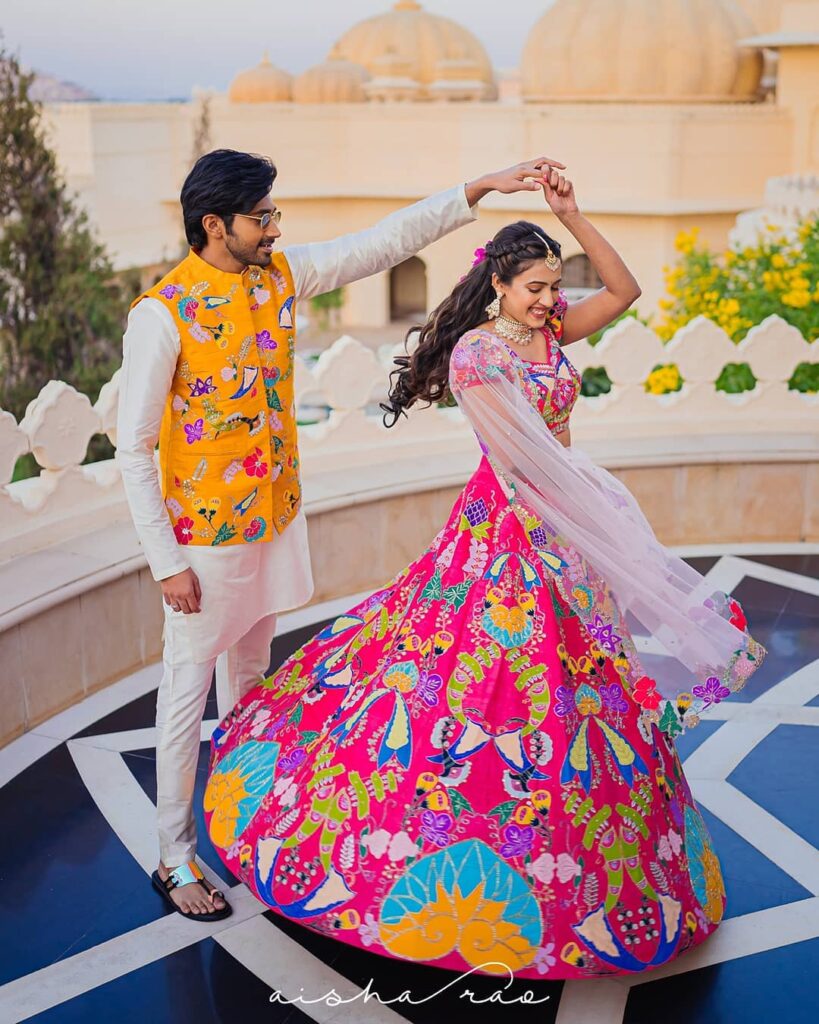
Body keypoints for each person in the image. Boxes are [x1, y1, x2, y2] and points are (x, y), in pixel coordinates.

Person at [202, 167, 767, 978]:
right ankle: (451, 866)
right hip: (508, 533)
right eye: (533, 287)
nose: (548, 300)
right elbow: (518, 460)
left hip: (565, 525)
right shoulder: (477, 355)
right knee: (483, 692)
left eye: (552, 285)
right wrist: (596, 524)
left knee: (582, 698)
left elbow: (626, 289)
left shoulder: (550, 332)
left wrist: (572, 216)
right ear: (495, 284)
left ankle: (587, 874)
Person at [115, 148, 565, 921]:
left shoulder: (278, 278)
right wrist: (165, 563)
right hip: (204, 544)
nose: (275, 229)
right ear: (214, 224)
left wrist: (476, 188)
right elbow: (132, 445)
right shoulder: (163, 312)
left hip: (276, 518)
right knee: (187, 691)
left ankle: (242, 817)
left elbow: (381, 244)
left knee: (253, 677)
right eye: (262, 218)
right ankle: (174, 856)